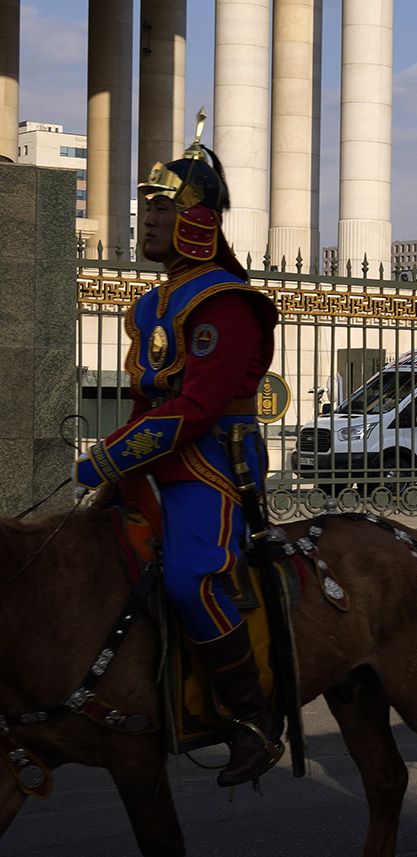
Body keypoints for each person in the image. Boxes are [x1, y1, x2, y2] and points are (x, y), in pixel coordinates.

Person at [73, 123, 284, 787]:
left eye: (164, 207)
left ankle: (254, 717)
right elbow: (146, 399)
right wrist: (113, 464)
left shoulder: (229, 302)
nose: (150, 219)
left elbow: (194, 411)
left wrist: (108, 458)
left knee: (191, 575)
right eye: (147, 208)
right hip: (155, 458)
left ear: (200, 219)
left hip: (210, 463)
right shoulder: (149, 305)